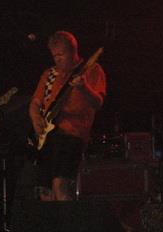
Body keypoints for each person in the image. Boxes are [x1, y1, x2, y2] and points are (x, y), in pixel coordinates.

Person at [29, 31, 106, 201]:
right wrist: (36, 119)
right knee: (44, 191)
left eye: (61, 54)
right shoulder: (50, 74)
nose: (57, 59)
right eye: (54, 55)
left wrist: (83, 87)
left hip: (72, 134)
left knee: (60, 184)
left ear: (73, 51)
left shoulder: (92, 70)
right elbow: (35, 103)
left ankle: (66, 218)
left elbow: (98, 102)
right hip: (47, 137)